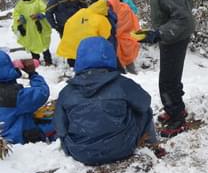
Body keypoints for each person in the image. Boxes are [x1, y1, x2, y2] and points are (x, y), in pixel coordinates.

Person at [54, 36, 162, 165]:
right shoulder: (122, 84)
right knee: (145, 111)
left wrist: (68, 146)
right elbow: (144, 103)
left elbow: (60, 127)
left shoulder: (66, 92)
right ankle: (152, 144)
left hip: (81, 153)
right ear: (110, 56)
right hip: (122, 148)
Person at [126, 0, 194, 138]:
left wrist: (158, 33)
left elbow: (183, 19)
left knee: (167, 82)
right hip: (171, 33)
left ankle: (177, 119)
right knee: (172, 76)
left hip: (174, 37)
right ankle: (177, 109)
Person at [0, 50, 54, 144]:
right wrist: (32, 74)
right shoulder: (13, 96)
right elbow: (42, 92)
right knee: (58, 122)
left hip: (3, 133)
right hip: (16, 138)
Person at [56, 0, 114, 68]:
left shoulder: (81, 12)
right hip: (86, 53)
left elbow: (68, 22)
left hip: (70, 49)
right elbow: (106, 36)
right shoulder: (102, 19)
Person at [12, 0, 53, 66]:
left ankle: (48, 61)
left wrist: (39, 15)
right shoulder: (20, 4)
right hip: (28, 29)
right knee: (32, 44)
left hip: (39, 27)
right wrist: (19, 18)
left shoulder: (38, 1)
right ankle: (35, 61)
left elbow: (45, 10)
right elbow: (15, 14)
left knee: (44, 43)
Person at [107, 0, 140, 73]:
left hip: (115, 44)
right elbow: (134, 23)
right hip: (127, 42)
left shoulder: (109, 11)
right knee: (130, 65)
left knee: (117, 69)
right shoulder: (127, 8)